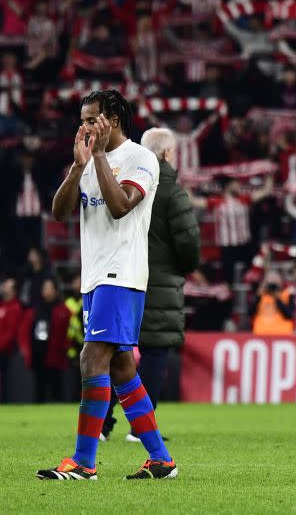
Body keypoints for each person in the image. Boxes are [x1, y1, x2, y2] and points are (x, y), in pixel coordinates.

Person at [39, 89, 176, 480]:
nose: (84, 127)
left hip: (123, 274)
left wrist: (97, 157)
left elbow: (120, 207)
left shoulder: (140, 158)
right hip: (94, 276)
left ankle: (84, 461)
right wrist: (77, 167)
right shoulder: (86, 159)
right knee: (119, 368)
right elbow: (60, 212)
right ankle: (161, 458)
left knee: (91, 358)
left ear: (112, 119)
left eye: (90, 119)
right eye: (81, 120)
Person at [101, 127, 200, 442]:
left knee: (115, 350)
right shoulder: (171, 192)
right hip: (157, 281)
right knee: (156, 351)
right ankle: (140, 428)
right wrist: (182, 269)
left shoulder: (120, 182)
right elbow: (189, 243)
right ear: (168, 154)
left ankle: (100, 424)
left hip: (119, 274)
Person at [19, 277, 70, 402]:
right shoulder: (35, 310)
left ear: (56, 291)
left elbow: (68, 333)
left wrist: (66, 347)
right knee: (39, 387)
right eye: (44, 288)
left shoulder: (63, 310)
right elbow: (24, 331)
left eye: (49, 287)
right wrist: (26, 351)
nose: (47, 291)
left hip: (56, 355)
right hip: (38, 354)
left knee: (56, 388)